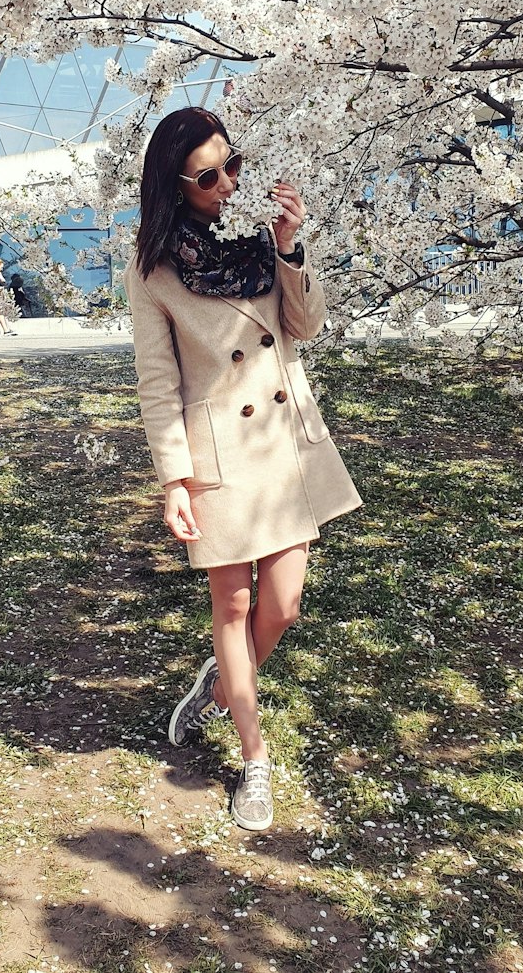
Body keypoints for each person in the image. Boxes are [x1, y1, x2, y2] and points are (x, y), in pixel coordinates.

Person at [123, 106, 362, 832]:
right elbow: (158, 383)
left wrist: (290, 250)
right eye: (208, 175)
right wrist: (173, 480)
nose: (228, 183)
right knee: (232, 607)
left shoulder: (260, 239)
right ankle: (254, 763)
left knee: (282, 606)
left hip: (284, 441)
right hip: (218, 453)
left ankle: (222, 685)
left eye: (235, 165)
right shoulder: (153, 271)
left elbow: (304, 326)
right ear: (175, 185)